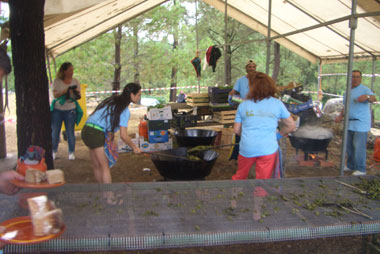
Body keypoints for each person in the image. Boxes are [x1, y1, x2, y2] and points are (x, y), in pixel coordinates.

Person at [232, 72, 296, 180]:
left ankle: (236, 194)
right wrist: (279, 135)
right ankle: (260, 195)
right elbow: (291, 125)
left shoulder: (243, 105)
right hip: (268, 148)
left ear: (251, 88)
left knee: (240, 175)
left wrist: (248, 136)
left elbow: (237, 130)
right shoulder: (277, 104)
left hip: (247, 147)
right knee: (263, 180)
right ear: (270, 86)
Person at [81, 82, 142, 185]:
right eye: (139, 95)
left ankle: (102, 193)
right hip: (96, 133)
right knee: (104, 167)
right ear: (132, 95)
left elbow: (107, 121)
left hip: (87, 130)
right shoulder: (124, 110)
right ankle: (109, 197)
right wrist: (135, 147)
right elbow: (124, 135)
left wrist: (110, 135)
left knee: (97, 165)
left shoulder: (113, 100)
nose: (139, 97)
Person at [335, 70, 376, 176]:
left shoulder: (365, 89)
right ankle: (350, 165)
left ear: (361, 78)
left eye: (358, 77)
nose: (355, 79)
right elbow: (346, 106)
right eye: (353, 76)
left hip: (361, 123)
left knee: (358, 146)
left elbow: (373, 98)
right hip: (349, 123)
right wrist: (340, 115)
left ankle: (361, 169)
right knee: (349, 146)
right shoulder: (347, 91)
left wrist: (366, 97)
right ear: (350, 78)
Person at [51, 62, 81, 160]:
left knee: (70, 132)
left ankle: (71, 152)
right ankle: (53, 151)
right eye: (70, 70)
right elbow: (55, 95)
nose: (72, 72)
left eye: (72, 70)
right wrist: (64, 91)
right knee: (55, 131)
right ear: (64, 71)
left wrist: (73, 93)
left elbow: (78, 95)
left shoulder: (75, 81)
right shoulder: (57, 81)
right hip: (57, 110)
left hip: (70, 109)